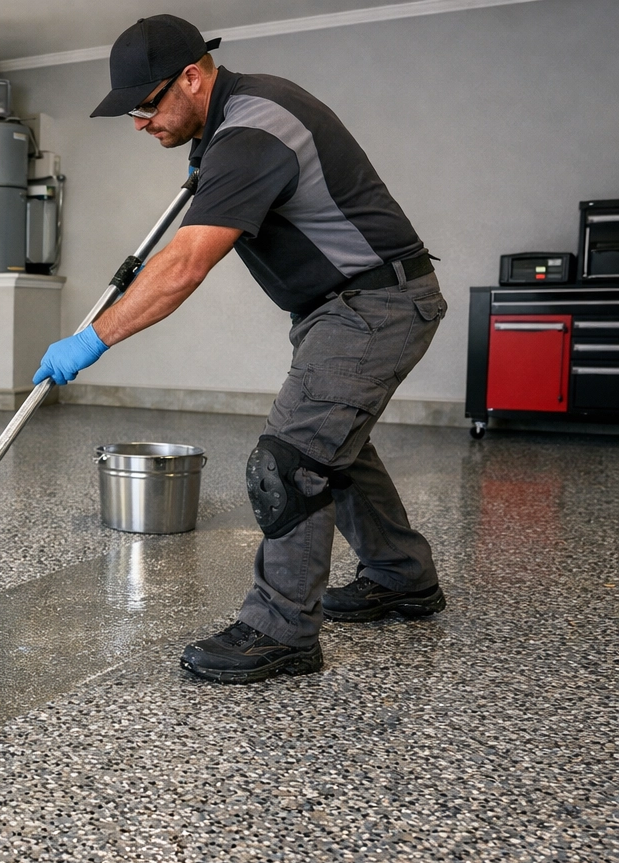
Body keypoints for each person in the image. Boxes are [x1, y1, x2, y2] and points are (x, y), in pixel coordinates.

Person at [34, 14, 447, 683]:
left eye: (145, 106)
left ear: (192, 78)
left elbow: (186, 264)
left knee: (288, 464)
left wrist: (92, 337)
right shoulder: (233, 123)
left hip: (374, 306)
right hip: (349, 308)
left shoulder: (252, 129)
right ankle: (403, 578)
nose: (139, 124)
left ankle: (281, 630)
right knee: (333, 450)